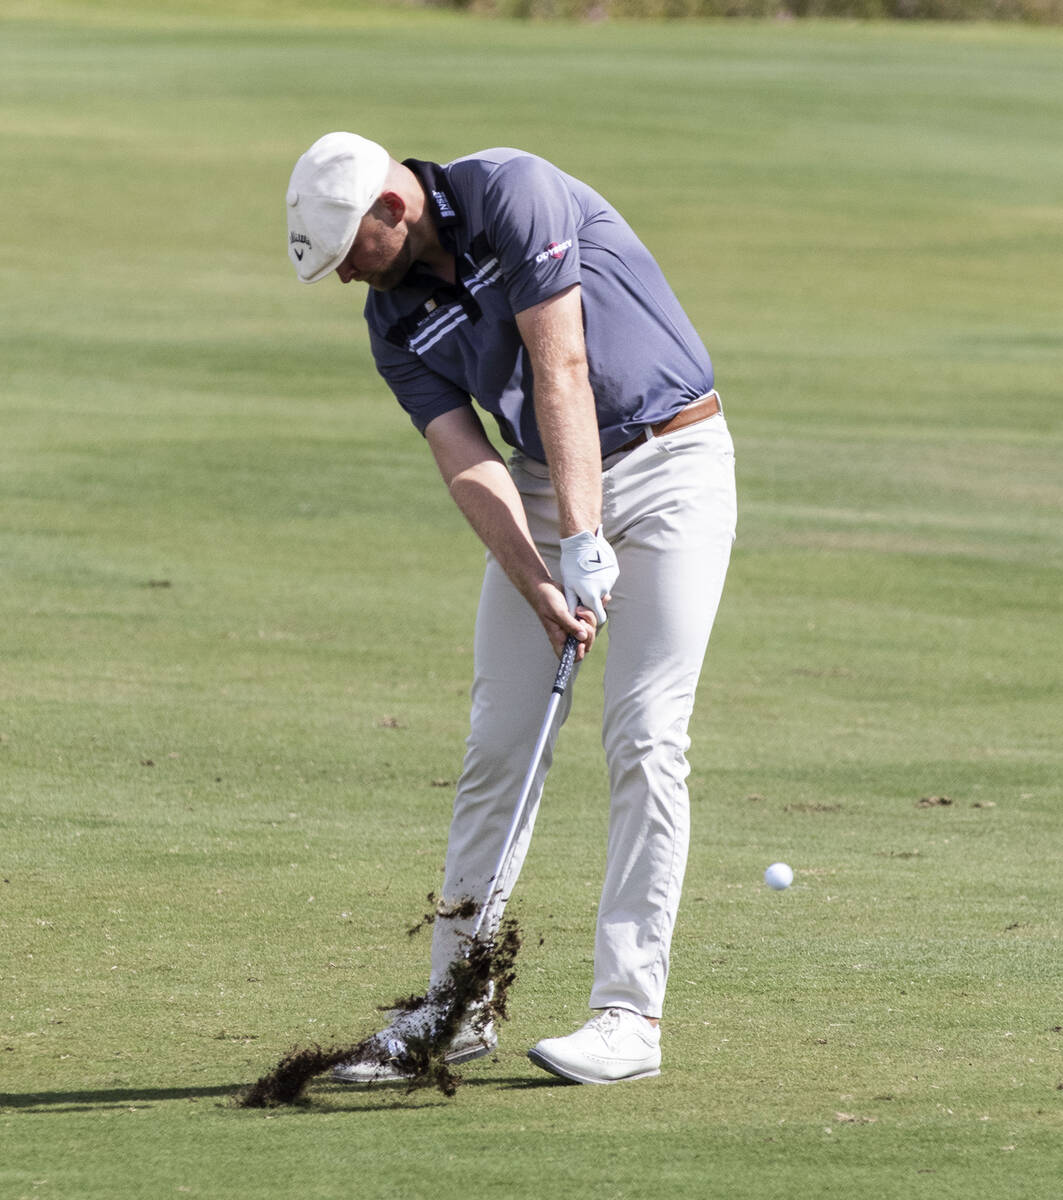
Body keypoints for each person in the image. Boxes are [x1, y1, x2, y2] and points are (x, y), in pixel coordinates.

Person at [284, 132, 737, 1085]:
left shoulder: (512, 192)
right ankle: (457, 1009)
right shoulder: (390, 317)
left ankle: (627, 1018)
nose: (345, 280)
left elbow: (559, 363)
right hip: (538, 482)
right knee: (500, 742)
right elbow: (465, 455)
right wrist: (537, 575)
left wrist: (584, 540)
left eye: (350, 254)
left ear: (391, 209)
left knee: (645, 736)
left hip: (670, 465)